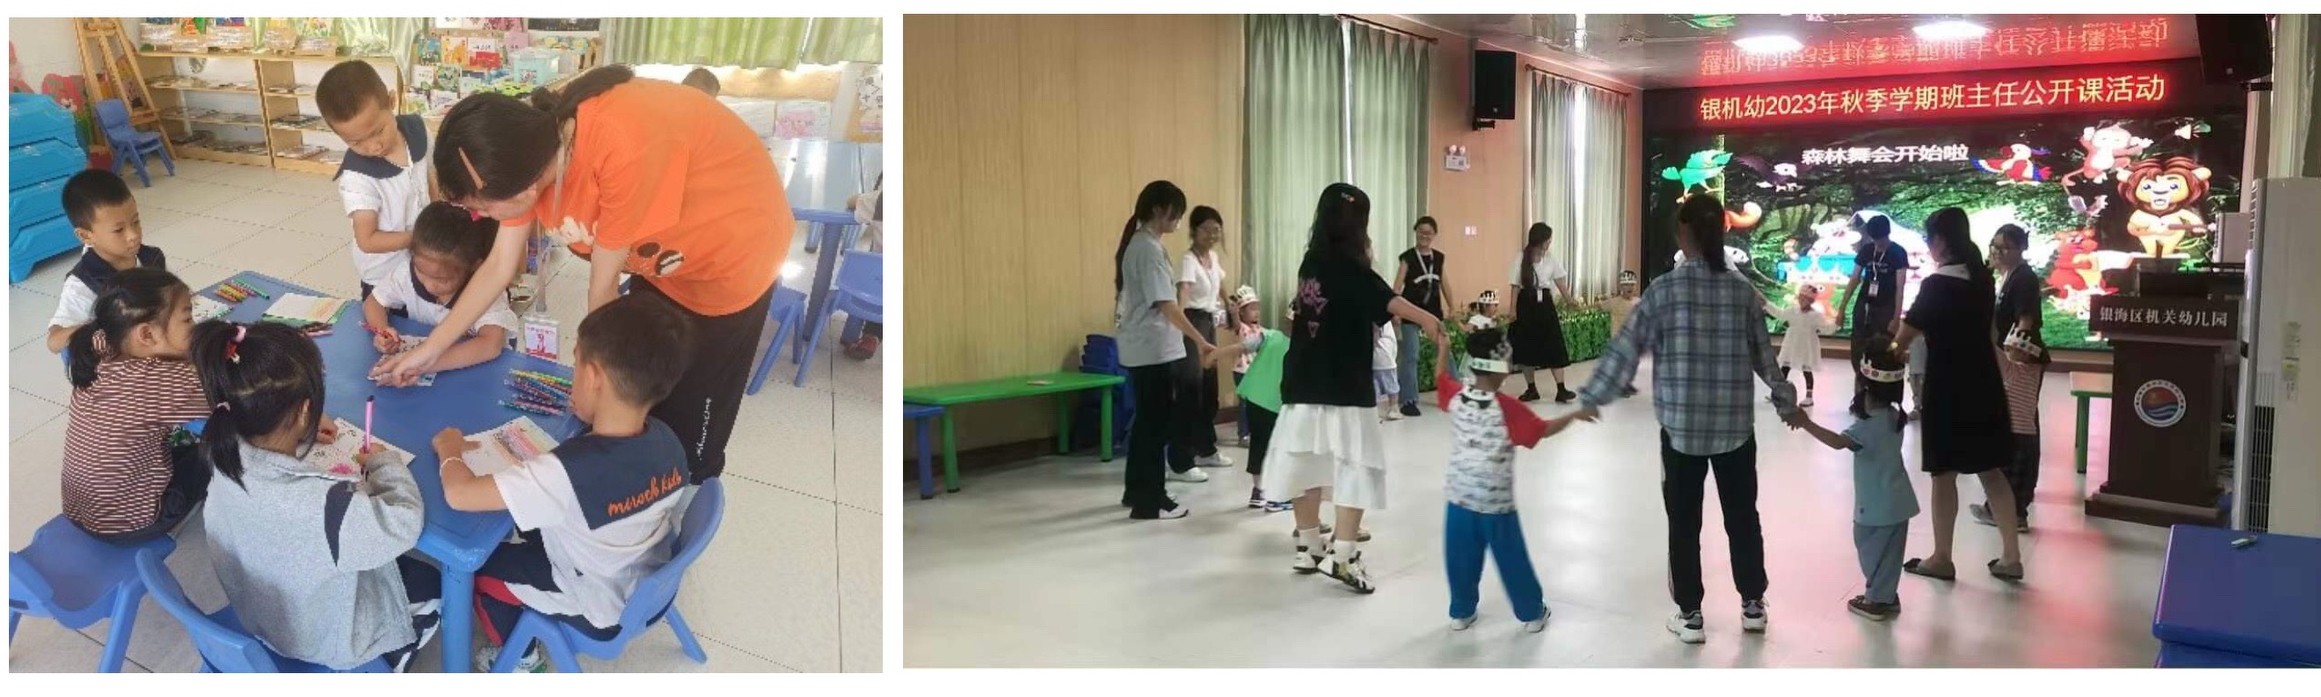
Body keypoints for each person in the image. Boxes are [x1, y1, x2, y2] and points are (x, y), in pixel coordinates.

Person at [402, 66, 790, 485]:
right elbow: (499, 266)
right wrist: (431, 349)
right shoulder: (521, 159)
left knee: (692, 408)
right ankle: (641, 473)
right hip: (662, 261)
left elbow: (602, 293)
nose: (482, 218)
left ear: (520, 190)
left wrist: (594, 387)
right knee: (645, 380)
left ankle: (687, 490)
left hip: (730, 258)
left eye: (482, 209)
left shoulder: (619, 146)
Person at [1573, 193, 1800, 645]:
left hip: (1681, 432)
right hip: (1735, 431)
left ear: (1683, 234)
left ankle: (1691, 615)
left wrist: (1595, 394)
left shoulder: (1664, 290)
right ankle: (1753, 604)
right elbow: (1763, 356)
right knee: (1742, 517)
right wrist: (1784, 397)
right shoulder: (1741, 292)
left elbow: (1626, 346)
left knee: (1683, 522)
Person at [437, 294, 694, 673]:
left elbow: (459, 494)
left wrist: (449, 450)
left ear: (593, 377)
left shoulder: (566, 474)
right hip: (639, 578)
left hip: (593, 602)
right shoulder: (668, 440)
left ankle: (521, 660)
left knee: (477, 574)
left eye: (575, 364)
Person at [192, 321, 440, 672]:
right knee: (430, 580)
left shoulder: (223, 455)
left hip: (258, 612)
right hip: (319, 640)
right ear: (304, 410)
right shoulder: (329, 507)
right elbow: (403, 524)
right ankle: (393, 654)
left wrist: (299, 430)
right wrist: (386, 464)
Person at [1267, 182, 1449, 594]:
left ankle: (1308, 546)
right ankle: (1344, 555)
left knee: (1304, 459)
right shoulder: (1353, 269)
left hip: (1302, 379)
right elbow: (1388, 300)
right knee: (1356, 464)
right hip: (1344, 383)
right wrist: (1429, 320)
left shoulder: (1311, 262)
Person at [1891, 207, 2026, 583]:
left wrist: (1887, 354)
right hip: (1984, 384)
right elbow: (1989, 334)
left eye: (1928, 238)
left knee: (1943, 472)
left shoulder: (1937, 284)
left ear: (1940, 240)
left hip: (1948, 387)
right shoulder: (1982, 279)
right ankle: (2011, 556)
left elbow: (1904, 338)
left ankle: (1942, 557)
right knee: (1991, 469)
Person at [1438, 318, 1572, 632]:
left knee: (1460, 557)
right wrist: (1575, 416)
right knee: (1512, 559)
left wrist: (1443, 348)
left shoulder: (1456, 396)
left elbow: (1441, 378)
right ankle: (1531, 614)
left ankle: (1461, 612)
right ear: (1499, 369)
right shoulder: (1507, 408)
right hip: (1496, 503)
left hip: (1459, 498)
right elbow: (1542, 430)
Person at [60, 269, 207, 542]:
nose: (195, 326)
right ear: (147, 334)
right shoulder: (164, 383)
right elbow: (228, 393)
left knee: (180, 445)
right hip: (129, 524)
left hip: (80, 510)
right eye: (188, 319)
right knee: (211, 452)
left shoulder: (96, 343)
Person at [1790, 337, 1919, 621]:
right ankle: (1885, 594)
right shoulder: (1893, 416)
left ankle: (1877, 600)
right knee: (1889, 553)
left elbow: (1838, 442)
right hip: (1899, 501)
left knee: (1870, 548)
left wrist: (1806, 422)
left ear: (1864, 384)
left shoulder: (1868, 427)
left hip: (1876, 505)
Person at [1113, 181, 1214, 519]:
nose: (1178, 220)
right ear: (1158, 209)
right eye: (1176, 213)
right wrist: (1198, 339)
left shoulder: (1143, 244)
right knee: (1154, 425)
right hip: (1151, 348)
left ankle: (1136, 490)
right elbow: (1166, 304)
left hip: (1147, 347)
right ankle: (1151, 500)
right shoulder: (1148, 249)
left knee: (1147, 422)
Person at [362, 203, 519, 380]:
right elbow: (373, 301)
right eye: (421, 272)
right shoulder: (407, 273)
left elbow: (490, 345)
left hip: (482, 376)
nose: (430, 286)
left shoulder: (486, 290)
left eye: (442, 280)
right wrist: (382, 330)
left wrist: (422, 365)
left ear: (475, 267)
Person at [317, 60, 427, 307]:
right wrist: (422, 239)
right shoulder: (357, 178)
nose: (373, 146)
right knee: (388, 327)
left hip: (424, 266)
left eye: (378, 131)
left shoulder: (418, 131)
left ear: (392, 101)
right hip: (384, 277)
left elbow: (430, 178)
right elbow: (367, 240)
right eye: (356, 142)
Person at [1972, 224, 2047, 533]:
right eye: (1994, 246)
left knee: (2018, 431)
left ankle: (2014, 508)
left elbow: (2025, 320)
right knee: (2019, 427)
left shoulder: (2024, 278)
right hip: (2009, 362)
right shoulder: (2007, 276)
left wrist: (2014, 357)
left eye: (2004, 248)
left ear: (2020, 249)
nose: (1997, 253)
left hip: (2019, 364)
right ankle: (2004, 505)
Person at [48, 169, 166, 354]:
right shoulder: (83, 284)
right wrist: (106, 325)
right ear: (86, 236)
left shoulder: (151, 257)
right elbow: (54, 342)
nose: (133, 235)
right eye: (119, 230)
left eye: (135, 222)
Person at [1213, 286, 1291, 512]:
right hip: (1277, 404)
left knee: (1259, 443)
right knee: (1279, 447)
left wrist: (1214, 355)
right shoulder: (1301, 348)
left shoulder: (1270, 335)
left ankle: (1259, 491)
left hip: (1255, 397)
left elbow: (1242, 346)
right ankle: (1276, 496)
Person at [1176, 205, 1233, 469]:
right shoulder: (1189, 260)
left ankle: (1206, 449)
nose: (1212, 235)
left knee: (1210, 389)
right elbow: (1183, 293)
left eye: (1216, 230)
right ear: (1194, 231)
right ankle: (1184, 456)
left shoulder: (1213, 257)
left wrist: (1230, 306)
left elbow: (1220, 284)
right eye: (1206, 230)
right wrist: (1180, 323)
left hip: (1208, 322)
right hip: (1192, 322)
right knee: (1192, 388)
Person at [1393, 217, 1454, 417]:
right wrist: (1396, 311)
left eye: (1428, 233)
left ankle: (1455, 395)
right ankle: (1408, 400)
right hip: (1411, 312)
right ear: (1415, 232)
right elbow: (1397, 286)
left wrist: (1452, 306)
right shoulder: (1408, 257)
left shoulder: (1439, 258)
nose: (1424, 236)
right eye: (1421, 231)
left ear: (1434, 235)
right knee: (1411, 355)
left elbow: (1444, 284)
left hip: (1433, 314)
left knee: (1445, 352)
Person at [1508, 223, 1576, 403]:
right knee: (1525, 347)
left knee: (1554, 344)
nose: (1549, 243)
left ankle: (1561, 389)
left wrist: (1569, 300)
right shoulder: (1521, 258)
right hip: (1526, 304)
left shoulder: (1550, 258)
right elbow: (1515, 286)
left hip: (1545, 304)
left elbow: (1560, 281)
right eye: (1547, 240)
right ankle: (1531, 389)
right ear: (1539, 240)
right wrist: (1512, 309)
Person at [1837, 214, 1909, 371]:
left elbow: (1900, 287)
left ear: (1887, 234)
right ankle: (1859, 378)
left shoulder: (1898, 252)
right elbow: (1854, 278)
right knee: (1857, 343)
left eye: (1881, 239)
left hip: (1886, 306)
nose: (1878, 243)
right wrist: (1842, 308)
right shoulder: (1867, 250)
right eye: (1875, 239)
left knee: (1882, 344)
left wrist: (1896, 318)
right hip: (1864, 303)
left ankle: (1878, 379)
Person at [1766, 284, 1834, 407]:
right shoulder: (1793, 311)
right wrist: (1766, 304)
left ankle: (1809, 397)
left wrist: (1837, 324)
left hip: (1806, 346)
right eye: (1800, 298)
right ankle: (1778, 393)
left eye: (1805, 299)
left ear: (1811, 300)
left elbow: (1826, 329)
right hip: (1791, 344)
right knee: (1785, 368)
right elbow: (1780, 314)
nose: (1801, 301)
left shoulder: (1816, 315)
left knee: (1806, 370)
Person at [842, 174, 885, 361]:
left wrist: (872, 194)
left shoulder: (881, 199)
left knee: (877, 278)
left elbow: (851, 201)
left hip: (875, 287)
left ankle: (870, 336)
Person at [1231, 288, 1262, 448]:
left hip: (1255, 371)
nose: (1256, 312)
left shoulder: (1259, 329)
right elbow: (1236, 322)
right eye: (1252, 309)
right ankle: (1243, 435)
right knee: (1244, 403)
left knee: (1254, 403)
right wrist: (1234, 313)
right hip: (1241, 371)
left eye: (1257, 308)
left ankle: (1254, 431)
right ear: (1242, 313)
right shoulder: (1241, 327)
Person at [1606, 272, 1641, 398]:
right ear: (1620, 287)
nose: (1629, 287)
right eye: (1626, 285)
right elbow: (1598, 306)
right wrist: (1577, 306)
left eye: (1632, 284)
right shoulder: (1614, 302)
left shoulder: (1638, 302)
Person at [1374, 321, 1402, 422]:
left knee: (1375, 388)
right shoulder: (1382, 318)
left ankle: (1375, 412)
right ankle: (1393, 409)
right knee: (1392, 385)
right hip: (1385, 357)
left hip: (1378, 358)